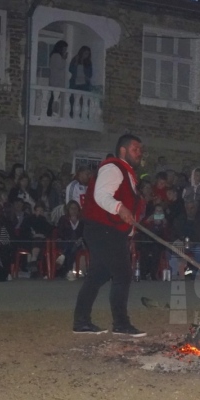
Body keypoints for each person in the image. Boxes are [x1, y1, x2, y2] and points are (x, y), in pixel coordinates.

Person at [72, 134, 147, 336]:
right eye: (135, 149)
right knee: (123, 274)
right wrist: (119, 207)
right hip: (103, 229)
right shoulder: (113, 168)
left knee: (99, 274)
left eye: (140, 150)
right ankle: (121, 324)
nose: (139, 153)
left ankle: (81, 321)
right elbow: (101, 195)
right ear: (122, 150)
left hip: (108, 230)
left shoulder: (127, 173)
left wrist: (129, 234)